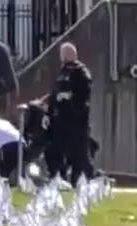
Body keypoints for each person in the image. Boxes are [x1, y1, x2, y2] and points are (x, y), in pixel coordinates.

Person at [47, 42, 93, 184]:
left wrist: (70, 98)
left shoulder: (80, 71)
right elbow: (55, 92)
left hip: (76, 122)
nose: (62, 56)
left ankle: (82, 179)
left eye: (64, 53)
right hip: (61, 120)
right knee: (56, 150)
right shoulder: (62, 71)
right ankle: (58, 178)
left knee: (79, 154)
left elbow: (84, 96)